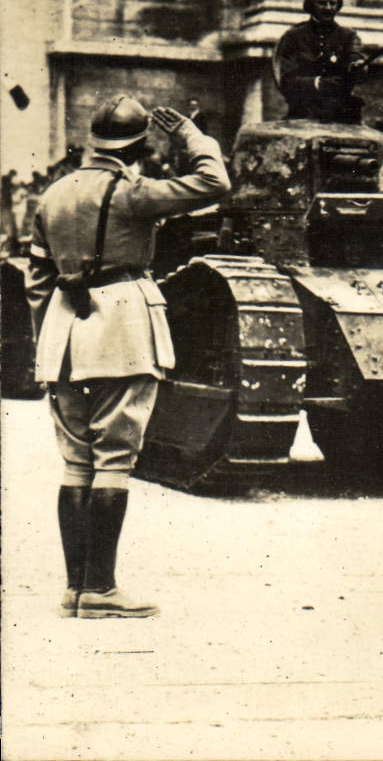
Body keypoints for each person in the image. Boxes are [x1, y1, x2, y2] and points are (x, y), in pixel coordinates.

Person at [25, 96, 231, 618]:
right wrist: (189, 136)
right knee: (114, 457)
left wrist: (51, 340)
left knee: (76, 461)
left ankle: (75, 590)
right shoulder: (134, 193)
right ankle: (101, 589)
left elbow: (38, 280)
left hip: (63, 332)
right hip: (119, 326)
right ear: (137, 148)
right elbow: (215, 182)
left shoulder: (52, 195)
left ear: (93, 142)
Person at [272, 0, 367, 122]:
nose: (328, 8)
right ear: (310, 5)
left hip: (341, 116)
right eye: (322, 3)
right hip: (303, 113)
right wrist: (319, 84)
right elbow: (286, 80)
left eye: (332, 3)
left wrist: (358, 65)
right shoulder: (293, 36)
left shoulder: (348, 36)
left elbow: (356, 55)